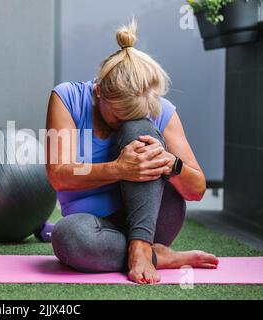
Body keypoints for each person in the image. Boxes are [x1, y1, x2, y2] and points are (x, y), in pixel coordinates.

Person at [44, 20, 218, 284]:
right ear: (99, 91)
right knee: (67, 237)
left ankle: (141, 247)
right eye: (118, 115)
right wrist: (119, 169)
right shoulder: (67, 98)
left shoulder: (161, 110)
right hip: (95, 229)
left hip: (155, 222)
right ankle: (159, 257)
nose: (123, 122)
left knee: (139, 129)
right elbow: (59, 175)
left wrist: (172, 164)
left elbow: (196, 190)